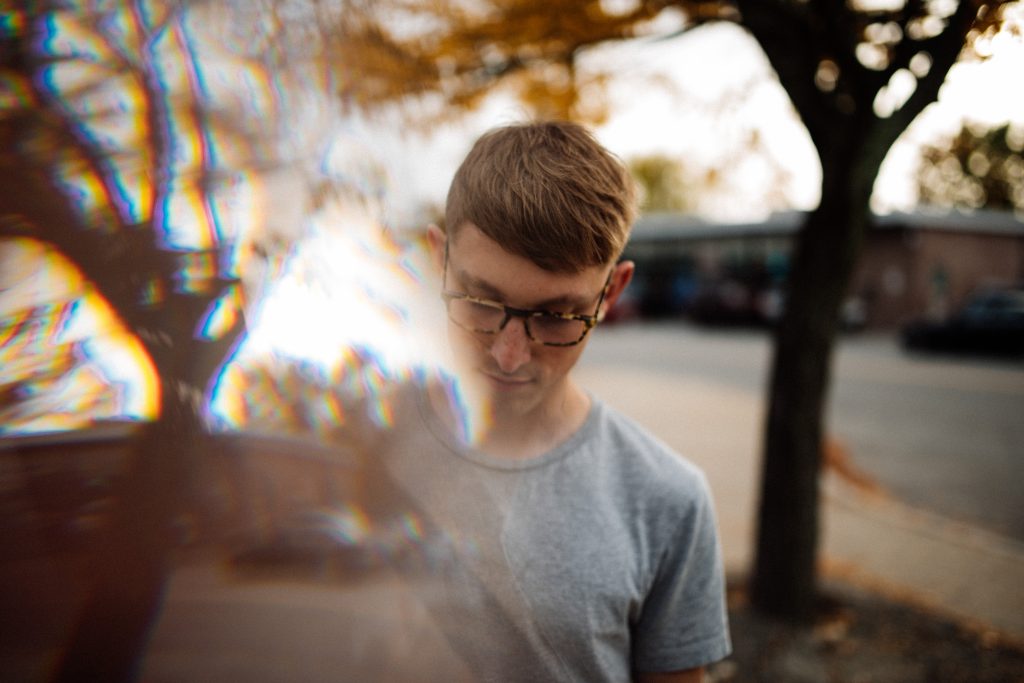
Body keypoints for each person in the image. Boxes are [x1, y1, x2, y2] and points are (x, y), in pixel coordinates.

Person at [362, 120, 731, 682]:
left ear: (612, 292)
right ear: (438, 260)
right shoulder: (350, 441)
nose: (509, 354)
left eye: (556, 316)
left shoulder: (666, 500)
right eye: (480, 302)